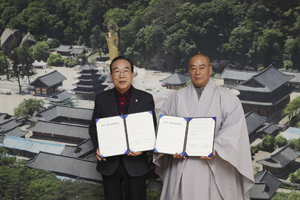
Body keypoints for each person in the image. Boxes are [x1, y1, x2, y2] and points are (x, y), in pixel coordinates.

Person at [153, 53, 254, 200]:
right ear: (189, 71)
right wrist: (171, 147)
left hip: (213, 163)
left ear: (210, 69)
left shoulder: (227, 98)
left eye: (202, 67)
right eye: (193, 68)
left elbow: (234, 129)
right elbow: (164, 126)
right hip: (182, 164)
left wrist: (216, 147)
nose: (197, 72)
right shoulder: (175, 98)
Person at [89, 56, 156, 200]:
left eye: (126, 71)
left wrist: (143, 148)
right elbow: (94, 127)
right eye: (117, 71)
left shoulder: (146, 99)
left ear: (132, 74)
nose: (121, 75)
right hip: (109, 163)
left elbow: (152, 129)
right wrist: (98, 146)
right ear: (111, 75)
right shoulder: (101, 98)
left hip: (136, 164)